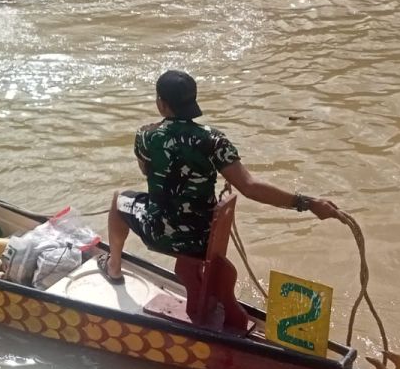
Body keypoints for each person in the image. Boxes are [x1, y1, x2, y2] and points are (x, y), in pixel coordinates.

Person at [100, 70, 341, 324]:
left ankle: (114, 267)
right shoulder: (214, 140)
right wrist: (308, 203)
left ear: (161, 103)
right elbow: (250, 186)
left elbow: (147, 171)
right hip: (205, 237)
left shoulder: (145, 135)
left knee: (120, 201)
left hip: (162, 231)